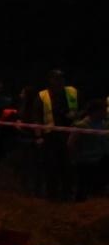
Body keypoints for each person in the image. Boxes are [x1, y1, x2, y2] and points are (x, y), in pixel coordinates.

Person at [35, 69, 80, 201]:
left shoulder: (72, 92)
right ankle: (52, 195)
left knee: (68, 166)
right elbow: (37, 118)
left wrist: (75, 117)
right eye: (56, 78)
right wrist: (39, 137)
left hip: (69, 134)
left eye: (61, 78)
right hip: (50, 136)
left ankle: (67, 195)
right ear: (50, 80)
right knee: (51, 166)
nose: (59, 81)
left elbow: (82, 109)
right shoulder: (42, 95)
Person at [70, 98, 109, 200]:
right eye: (103, 110)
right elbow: (71, 144)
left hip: (101, 160)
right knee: (83, 189)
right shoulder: (81, 125)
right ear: (95, 112)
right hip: (86, 162)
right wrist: (76, 159)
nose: (105, 112)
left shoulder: (104, 125)